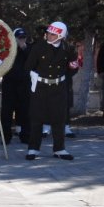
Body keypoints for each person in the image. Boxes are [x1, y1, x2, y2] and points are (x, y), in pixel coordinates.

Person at [25, 21, 79, 160]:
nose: (49, 35)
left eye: (52, 34)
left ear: (60, 36)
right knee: (36, 118)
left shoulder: (69, 49)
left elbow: (73, 67)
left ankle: (59, 149)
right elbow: (29, 66)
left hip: (58, 88)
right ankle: (33, 149)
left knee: (59, 119)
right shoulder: (39, 47)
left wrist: (62, 79)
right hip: (40, 87)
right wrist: (33, 78)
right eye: (48, 33)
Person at [0, 28, 32, 144]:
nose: (22, 40)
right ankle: (6, 137)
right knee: (7, 111)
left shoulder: (29, 48)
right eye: (19, 38)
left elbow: (32, 60)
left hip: (24, 84)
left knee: (25, 110)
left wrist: (23, 48)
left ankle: (25, 136)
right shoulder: (8, 48)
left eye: (23, 37)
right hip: (9, 83)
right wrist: (15, 47)